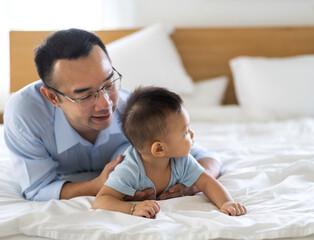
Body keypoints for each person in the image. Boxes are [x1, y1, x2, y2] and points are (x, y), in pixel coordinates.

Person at [3, 28, 221, 201]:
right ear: (52, 97)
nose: (106, 104)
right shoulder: (25, 117)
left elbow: (205, 157)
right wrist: (99, 186)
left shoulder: (133, 110)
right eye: (85, 95)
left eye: (108, 83)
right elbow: (38, 189)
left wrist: (194, 184)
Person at [92, 86, 246, 218]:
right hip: (119, 154)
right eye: (185, 132)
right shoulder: (129, 170)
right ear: (159, 148)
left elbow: (207, 182)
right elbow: (101, 200)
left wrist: (226, 202)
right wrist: (132, 209)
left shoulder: (182, 160)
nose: (192, 135)